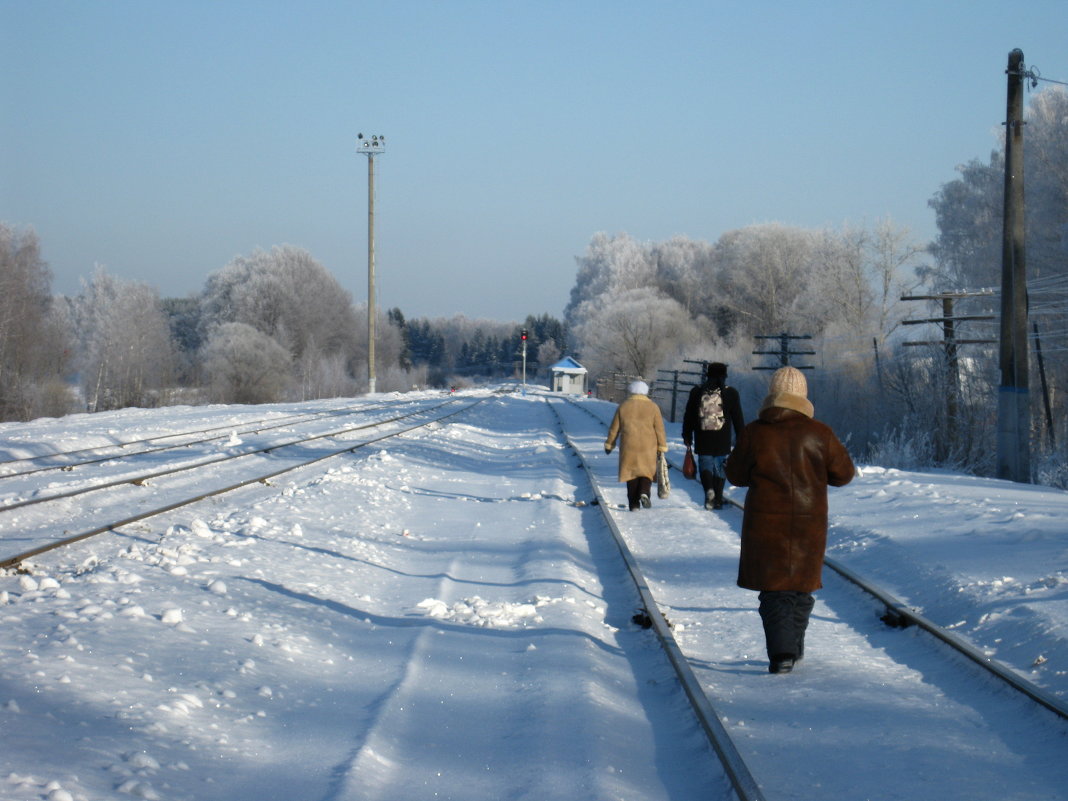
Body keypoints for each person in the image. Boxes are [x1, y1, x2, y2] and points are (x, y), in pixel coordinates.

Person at [724, 366, 854, 674]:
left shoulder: (755, 432)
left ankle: (782, 653)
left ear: (772, 395)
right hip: (809, 525)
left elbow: (735, 474)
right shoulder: (820, 433)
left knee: (774, 589)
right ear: (803, 397)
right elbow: (844, 474)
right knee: (800, 587)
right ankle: (793, 648)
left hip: (766, 523)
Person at [682, 362, 745, 510]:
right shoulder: (730, 393)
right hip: (722, 438)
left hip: (703, 438)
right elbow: (738, 419)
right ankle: (717, 499)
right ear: (724, 376)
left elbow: (689, 416)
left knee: (705, 465)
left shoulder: (697, 392)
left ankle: (708, 490)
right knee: (720, 468)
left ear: (708, 374)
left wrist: (687, 435)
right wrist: (741, 438)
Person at [604, 380, 668, 511]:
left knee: (631, 475)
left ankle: (633, 505)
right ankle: (644, 492)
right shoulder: (653, 407)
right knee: (647, 473)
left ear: (631, 391)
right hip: (648, 447)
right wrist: (662, 446)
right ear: (645, 392)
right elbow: (660, 429)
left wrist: (610, 444)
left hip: (629, 446)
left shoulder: (624, 406)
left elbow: (614, 428)